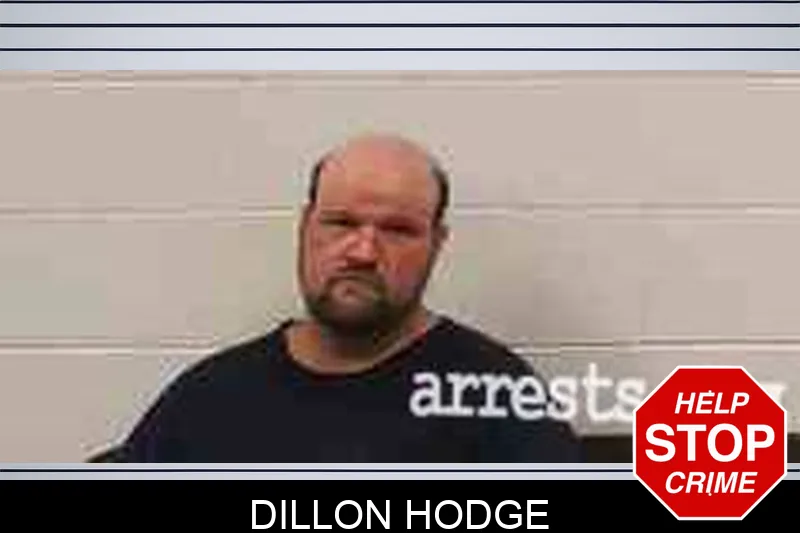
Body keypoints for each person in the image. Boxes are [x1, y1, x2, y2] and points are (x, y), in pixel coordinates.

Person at [111, 133, 583, 462]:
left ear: (436, 245)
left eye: (398, 230)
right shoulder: (211, 397)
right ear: (305, 228)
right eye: (341, 223)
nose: (363, 252)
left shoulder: (496, 396)